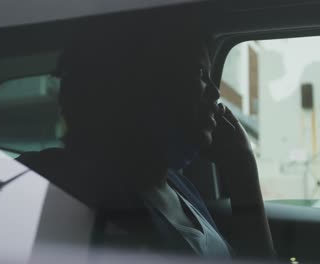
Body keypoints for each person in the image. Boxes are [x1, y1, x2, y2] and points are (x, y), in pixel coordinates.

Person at [18, 5, 274, 259]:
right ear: (142, 86)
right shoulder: (90, 199)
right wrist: (243, 173)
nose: (215, 93)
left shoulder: (175, 184)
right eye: (199, 73)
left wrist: (241, 167)